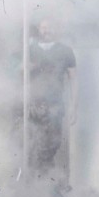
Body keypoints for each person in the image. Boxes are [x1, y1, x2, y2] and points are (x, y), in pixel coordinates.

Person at [28, 18, 76, 185]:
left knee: (52, 144)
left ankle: (47, 184)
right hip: (33, 105)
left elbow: (73, 80)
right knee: (33, 144)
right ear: (39, 29)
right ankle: (37, 185)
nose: (46, 30)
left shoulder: (65, 51)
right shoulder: (29, 49)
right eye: (43, 27)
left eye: (50, 27)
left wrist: (74, 106)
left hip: (55, 105)